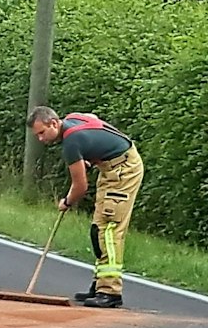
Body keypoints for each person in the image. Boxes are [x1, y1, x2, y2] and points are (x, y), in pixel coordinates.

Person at [29, 106, 144, 309]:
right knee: (97, 229)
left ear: (54, 123)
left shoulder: (71, 142)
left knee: (109, 231)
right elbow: (92, 121)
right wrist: (91, 155)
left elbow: (80, 187)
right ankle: (99, 284)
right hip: (110, 169)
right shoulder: (72, 119)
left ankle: (110, 291)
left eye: (42, 132)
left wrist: (67, 201)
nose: (40, 138)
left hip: (123, 171)